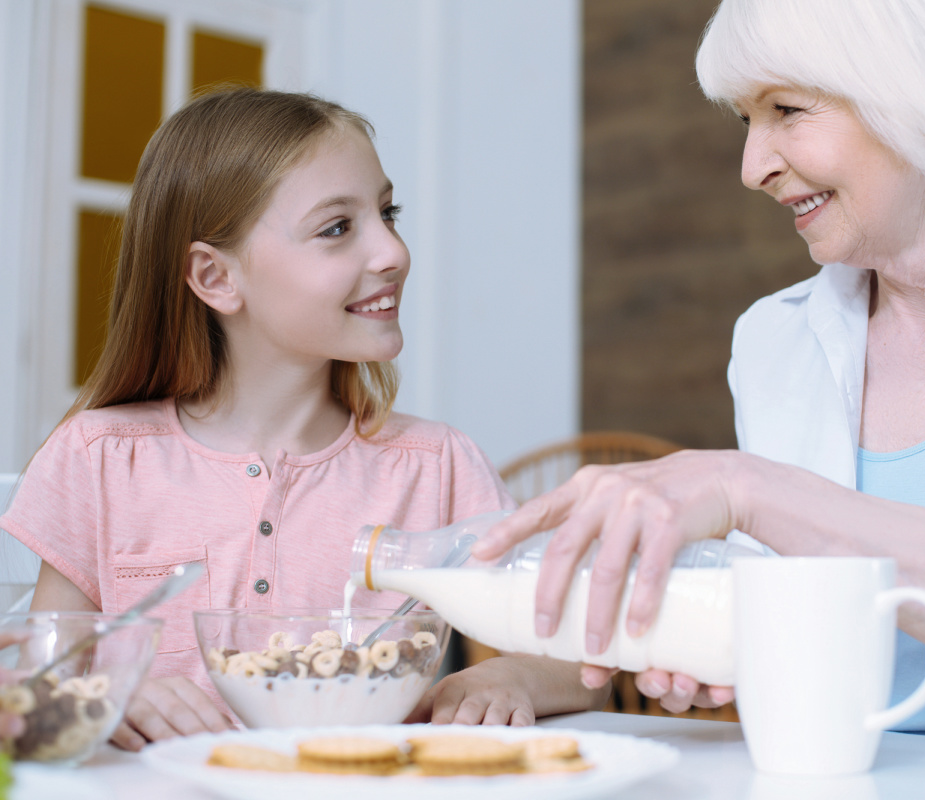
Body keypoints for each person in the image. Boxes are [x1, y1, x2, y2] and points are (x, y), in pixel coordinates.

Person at [475, 0, 925, 752]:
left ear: (920, 92)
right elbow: (793, 610)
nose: (753, 168)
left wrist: (748, 489)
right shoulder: (771, 339)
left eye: (787, 110)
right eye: (745, 122)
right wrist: (712, 641)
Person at [0, 89, 607, 751]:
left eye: (387, 212)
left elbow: (582, 663)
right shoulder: (99, 458)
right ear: (215, 277)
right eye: (337, 228)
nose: (393, 252)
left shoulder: (437, 468)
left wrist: (511, 678)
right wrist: (111, 696)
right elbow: (38, 684)